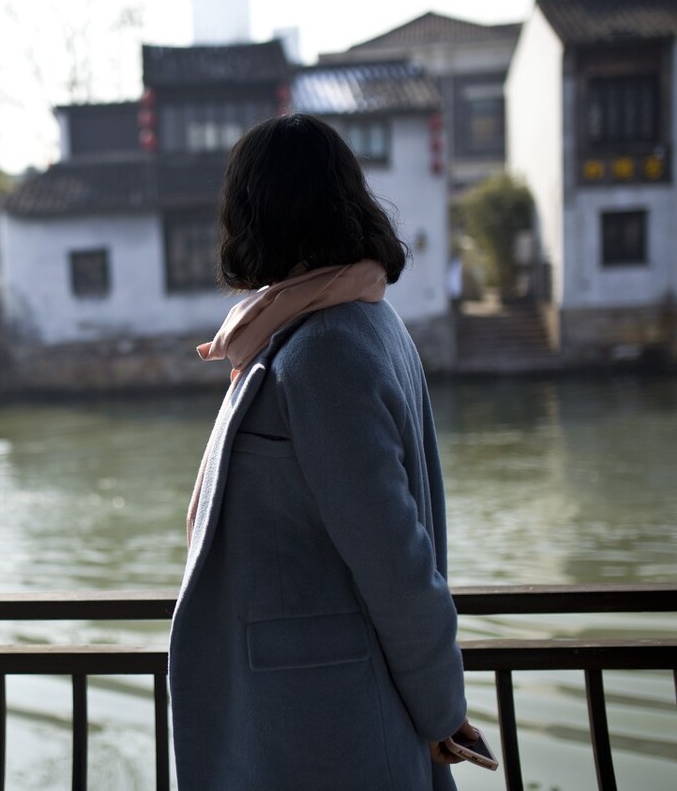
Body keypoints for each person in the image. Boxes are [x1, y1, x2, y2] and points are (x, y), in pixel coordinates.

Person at [168, 113, 476, 790]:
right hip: (325, 714)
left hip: (327, 727)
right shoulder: (360, 319)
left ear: (256, 215)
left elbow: (396, 563)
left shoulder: (323, 350)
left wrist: (442, 709)